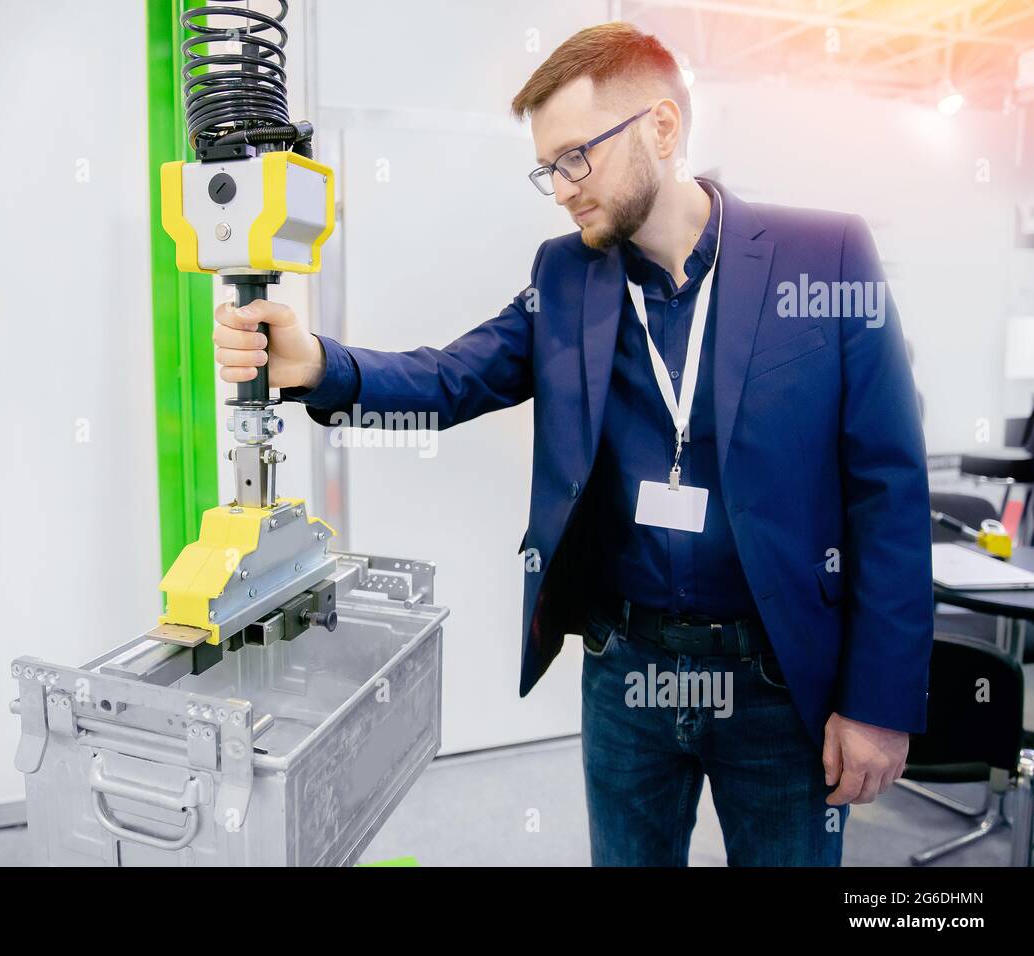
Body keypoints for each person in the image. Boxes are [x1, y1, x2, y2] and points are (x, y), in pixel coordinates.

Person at [211, 23, 932, 866]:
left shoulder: (827, 256)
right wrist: (321, 366)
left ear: (662, 129)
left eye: (575, 158)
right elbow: (455, 376)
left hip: (779, 684)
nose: (560, 189)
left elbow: (889, 486)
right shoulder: (567, 273)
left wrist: (880, 702)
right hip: (626, 676)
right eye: (547, 167)